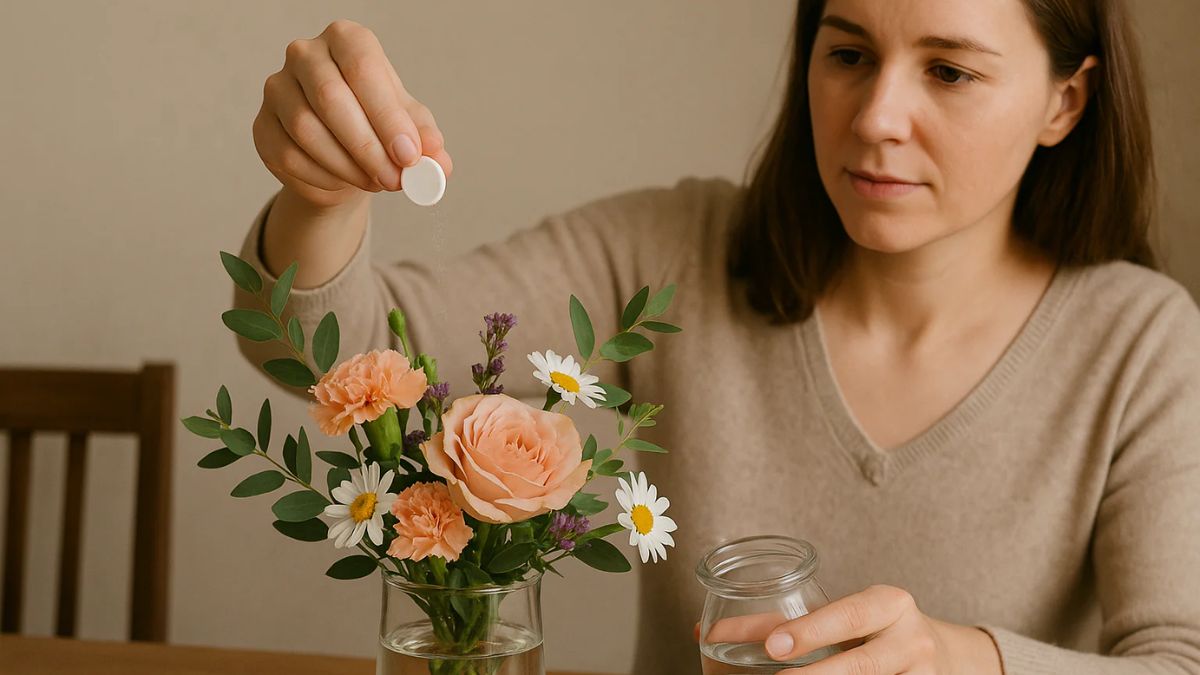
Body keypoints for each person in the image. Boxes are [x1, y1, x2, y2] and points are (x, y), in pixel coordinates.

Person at [235, 1, 1200, 673]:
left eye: (949, 70)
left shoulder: (1143, 344)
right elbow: (326, 353)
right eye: (848, 53)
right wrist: (321, 197)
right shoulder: (669, 253)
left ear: (1064, 102)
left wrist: (961, 658)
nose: (876, 118)